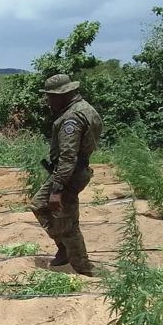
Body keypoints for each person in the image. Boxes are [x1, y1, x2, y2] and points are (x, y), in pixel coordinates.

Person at [30, 73, 102, 276]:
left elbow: (68, 156)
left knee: (66, 220)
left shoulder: (71, 118)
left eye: (51, 96)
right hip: (74, 171)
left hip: (69, 173)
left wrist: (57, 188)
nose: (49, 100)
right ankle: (64, 248)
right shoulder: (85, 108)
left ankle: (84, 269)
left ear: (62, 94)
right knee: (39, 205)